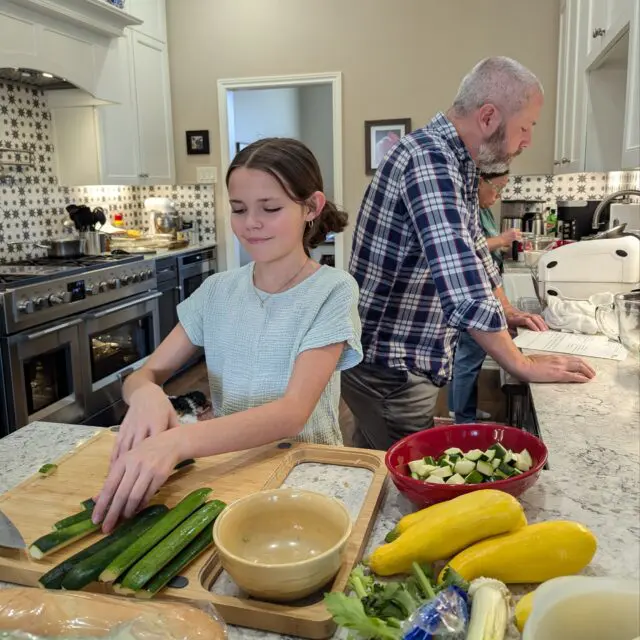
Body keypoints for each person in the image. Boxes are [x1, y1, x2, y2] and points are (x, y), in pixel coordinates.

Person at [93, 138, 362, 532]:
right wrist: (146, 394)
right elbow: (142, 376)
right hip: (230, 467)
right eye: (239, 209)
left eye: (270, 208)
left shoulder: (333, 290)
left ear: (311, 207)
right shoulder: (218, 290)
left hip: (308, 475)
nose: (250, 222)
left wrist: (178, 441)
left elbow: (292, 413)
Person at [342, 56, 596, 451]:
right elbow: (462, 281)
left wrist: (508, 311)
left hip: (394, 363)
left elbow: (475, 252)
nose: (527, 141)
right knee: (403, 483)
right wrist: (521, 363)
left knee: (373, 466)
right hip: (389, 369)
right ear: (489, 116)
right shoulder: (429, 159)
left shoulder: (456, 161)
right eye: (525, 127)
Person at [448, 170, 520, 423]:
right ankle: (462, 417)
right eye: (496, 188)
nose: (498, 196)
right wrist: (502, 239)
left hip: (486, 291)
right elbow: (473, 251)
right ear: (478, 182)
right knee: (468, 358)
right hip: (476, 293)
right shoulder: (466, 211)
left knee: (469, 358)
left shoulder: (481, 209)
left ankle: (462, 409)